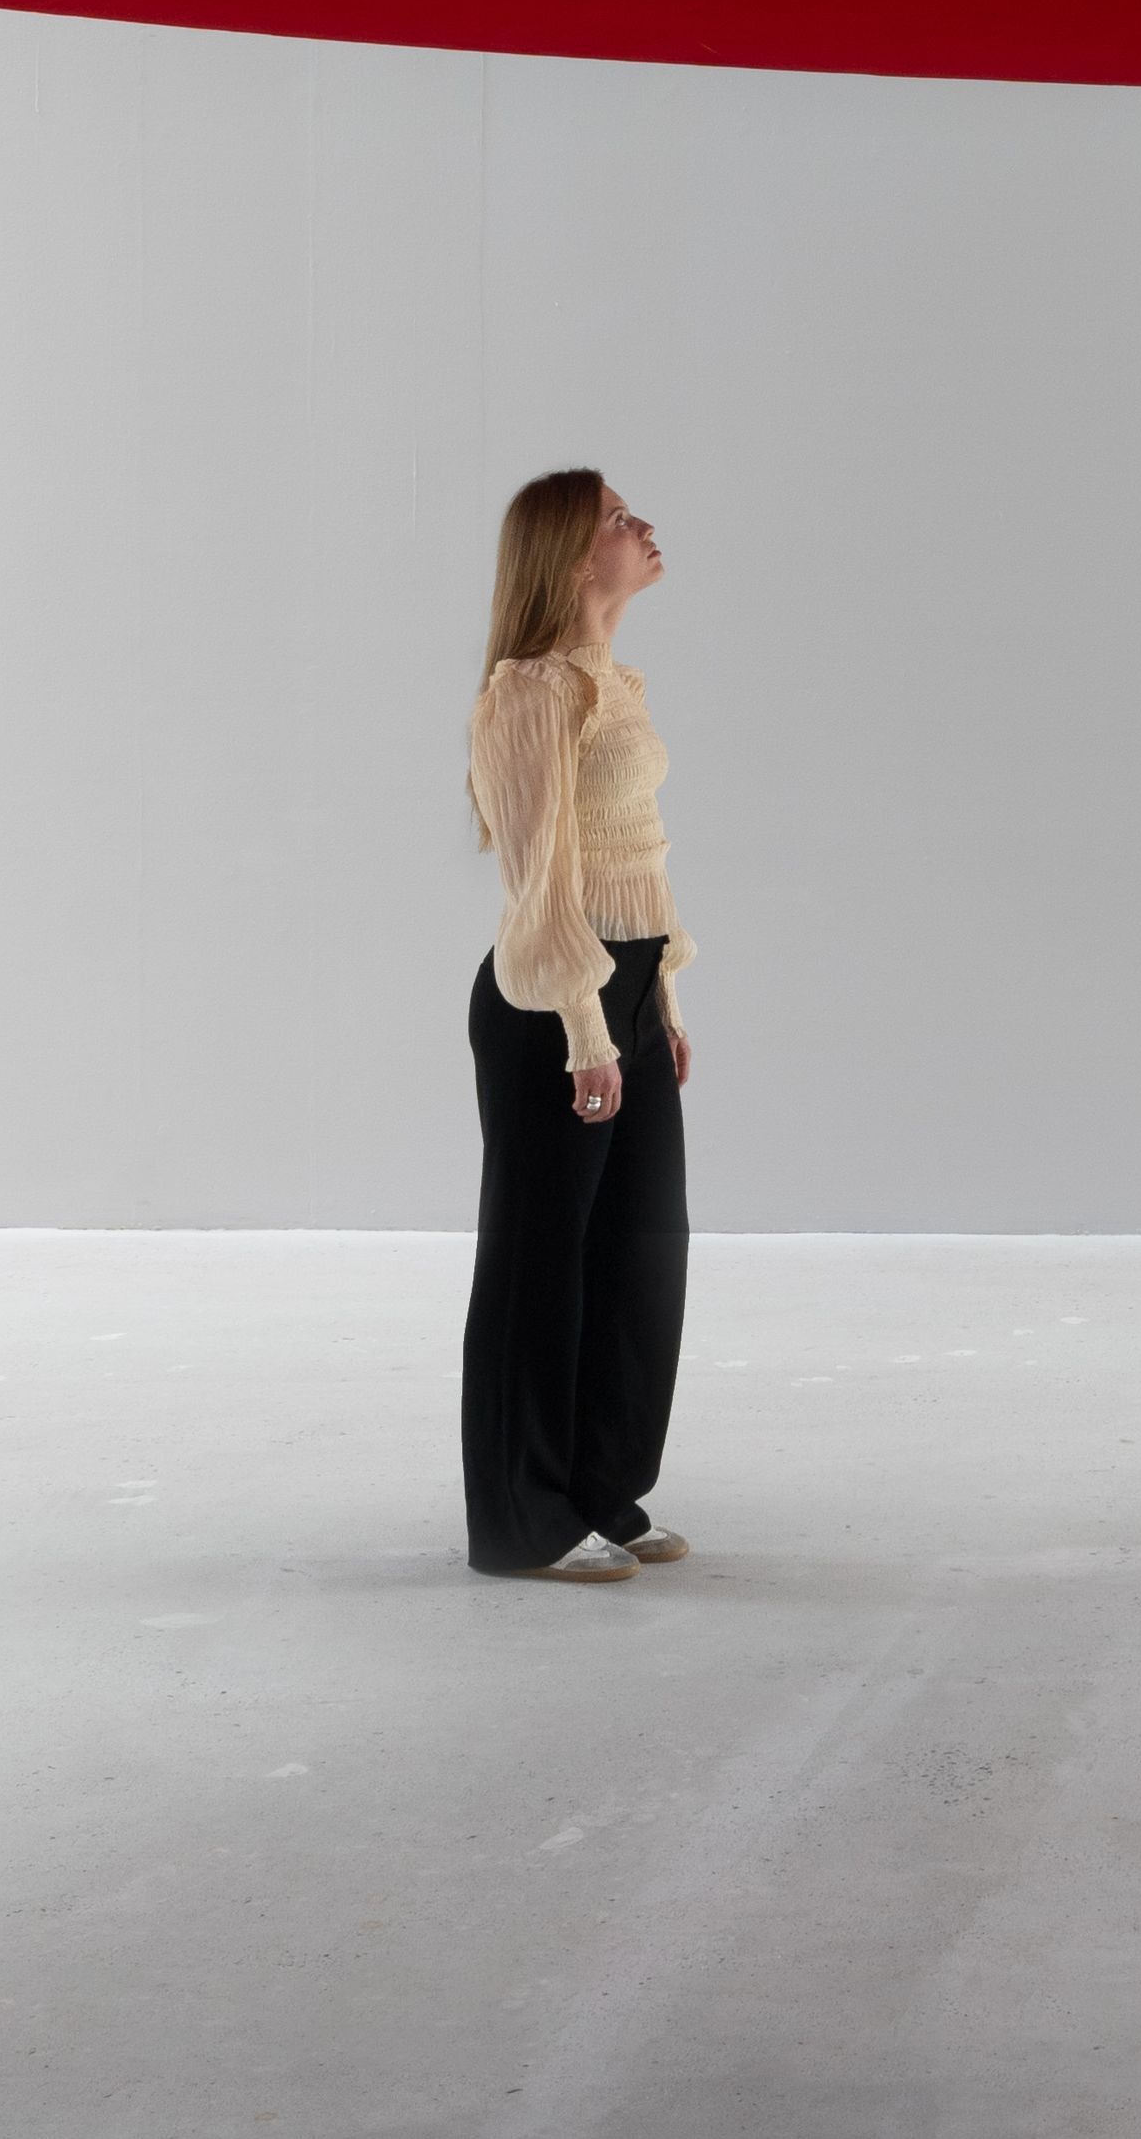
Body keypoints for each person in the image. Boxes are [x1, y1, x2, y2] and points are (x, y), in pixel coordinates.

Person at [457, 465, 694, 1579]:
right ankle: (521, 1519)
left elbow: (633, 858)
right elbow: (540, 881)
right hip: (552, 1007)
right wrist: (586, 1030)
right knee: (539, 1264)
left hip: (626, 994)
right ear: (568, 553)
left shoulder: (614, 684)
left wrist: (661, 1002)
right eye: (615, 517)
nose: (641, 526)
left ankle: (599, 1486)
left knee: (640, 1252)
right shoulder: (532, 691)